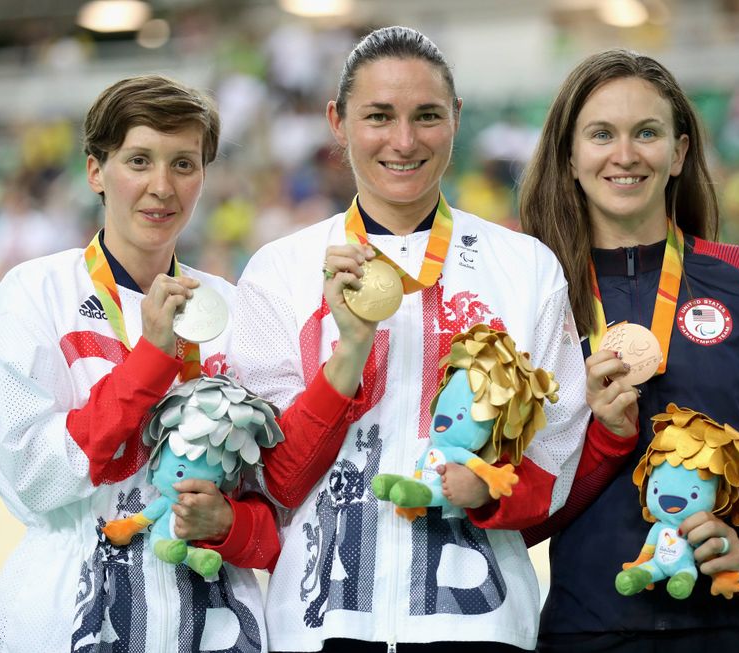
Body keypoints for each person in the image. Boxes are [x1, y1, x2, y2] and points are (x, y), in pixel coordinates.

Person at [229, 25, 596, 653]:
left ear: (455, 118)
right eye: (378, 116)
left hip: (481, 623)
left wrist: (491, 488)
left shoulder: (525, 266)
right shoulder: (280, 269)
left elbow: (555, 453)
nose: (404, 141)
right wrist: (347, 351)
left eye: (427, 116)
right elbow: (273, 478)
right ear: (337, 122)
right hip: (320, 625)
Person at [0, 74, 361, 653]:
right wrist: (153, 358)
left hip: (214, 617)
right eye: (138, 160)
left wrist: (230, 527)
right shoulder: (34, 292)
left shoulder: (232, 306)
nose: (161, 186)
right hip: (68, 612)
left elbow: (277, 504)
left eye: (184, 164)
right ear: (95, 172)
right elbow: (36, 478)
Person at [519, 49, 739, 652]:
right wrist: (605, 444)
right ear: (570, 157)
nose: (625, 155)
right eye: (601, 134)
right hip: (589, 631)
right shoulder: (534, 299)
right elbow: (517, 518)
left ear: (679, 152)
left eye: (647, 133)